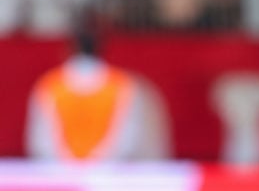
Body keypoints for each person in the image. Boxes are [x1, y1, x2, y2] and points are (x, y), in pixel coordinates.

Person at [25, 27, 171, 161]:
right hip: (110, 171)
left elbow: (41, 138)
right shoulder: (121, 84)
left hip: (60, 170)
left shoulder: (50, 84)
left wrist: (65, 162)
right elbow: (129, 135)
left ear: (69, 50)